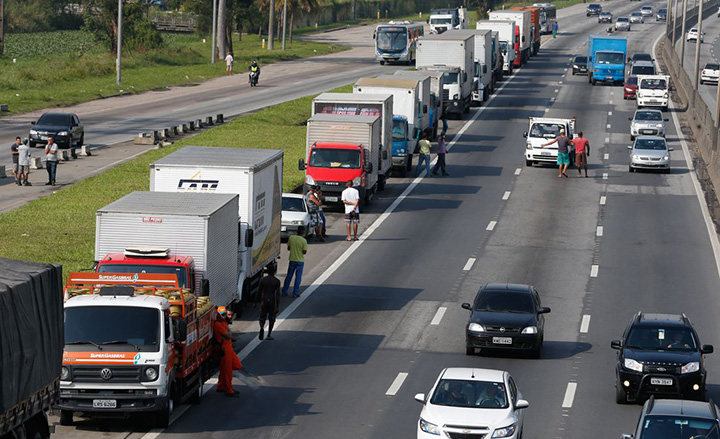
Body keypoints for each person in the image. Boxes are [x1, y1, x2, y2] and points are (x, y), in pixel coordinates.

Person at [213, 306, 243, 397]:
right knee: (227, 371)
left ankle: (221, 385)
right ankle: (229, 390)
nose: (224, 316)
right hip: (224, 349)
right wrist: (230, 334)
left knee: (236, 365)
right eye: (222, 314)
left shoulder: (223, 323)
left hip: (228, 347)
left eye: (225, 314)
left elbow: (229, 334)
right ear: (218, 315)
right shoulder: (218, 325)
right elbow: (228, 334)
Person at [282, 225, 308, 298]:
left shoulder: (291, 238)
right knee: (298, 278)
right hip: (300, 261)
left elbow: (288, 248)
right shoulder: (304, 241)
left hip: (292, 259)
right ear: (303, 232)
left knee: (289, 276)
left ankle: (284, 291)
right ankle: (295, 293)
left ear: (297, 231)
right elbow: (304, 252)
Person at [258, 264, 281, 341]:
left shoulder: (263, 280)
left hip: (264, 300)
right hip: (272, 301)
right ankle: (269, 334)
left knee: (262, 316)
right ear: (274, 271)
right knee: (271, 318)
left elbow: (259, 292)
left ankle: (261, 327)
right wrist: (277, 306)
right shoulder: (277, 281)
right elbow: (277, 294)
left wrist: (258, 302)